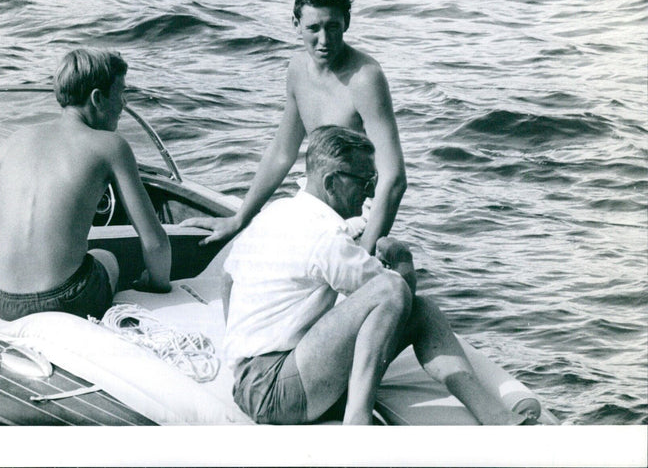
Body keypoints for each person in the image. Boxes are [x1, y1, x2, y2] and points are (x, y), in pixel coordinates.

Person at [222, 125, 531, 425]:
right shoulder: (325, 236)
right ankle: (358, 422)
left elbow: (228, 279)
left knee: (425, 312)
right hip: (277, 390)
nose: (370, 193)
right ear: (331, 183)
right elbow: (397, 295)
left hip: (251, 382)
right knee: (391, 290)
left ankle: (493, 415)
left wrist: (242, 355)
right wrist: (402, 258)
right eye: (364, 181)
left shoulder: (276, 213)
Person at [0, 48, 171, 343]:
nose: (124, 104)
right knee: (106, 258)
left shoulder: (17, 139)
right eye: (121, 93)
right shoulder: (112, 146)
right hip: (65, 300)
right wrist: (157, 284)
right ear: (97, 98)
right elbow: (156, 243)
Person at [182, 0, 406, 254]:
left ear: (346, 22)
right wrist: (239, 219)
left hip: (356, 212)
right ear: (295, 25)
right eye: (313, 28)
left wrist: (365, 254)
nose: (324, 40)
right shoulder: (298, 68)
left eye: (333, 27)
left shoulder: (366, 78)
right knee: (249, 250)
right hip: (314, 200)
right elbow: (282, 153)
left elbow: (393, 179)